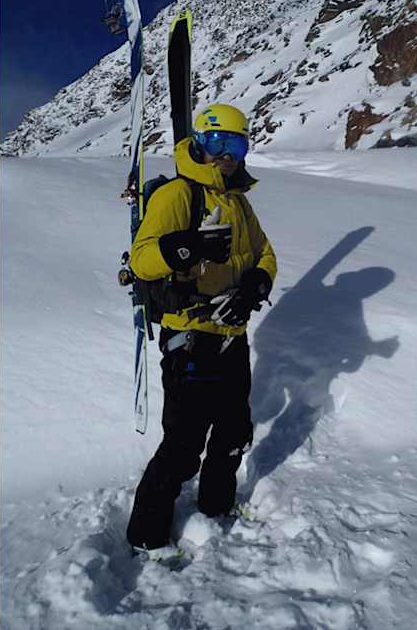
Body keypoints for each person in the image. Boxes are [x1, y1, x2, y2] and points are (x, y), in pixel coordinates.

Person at [126, 103, 278, 551]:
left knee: (234, 432)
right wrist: (188, 246)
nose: (226, 155)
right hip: (190, 338)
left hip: (233, 336)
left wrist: (254, 285)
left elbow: (265, 253)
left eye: (236, 145)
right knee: (183, 444)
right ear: (199, 142)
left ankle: (216, 506)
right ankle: (147, 538)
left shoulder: (239, 202)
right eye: (217, 142)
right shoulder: (179, 195)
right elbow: (142, 261)